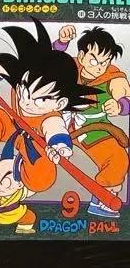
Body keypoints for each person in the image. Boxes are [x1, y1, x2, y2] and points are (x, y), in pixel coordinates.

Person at [0, 19, 95, 200]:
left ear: (59, 104)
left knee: (43, 174)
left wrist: (59, 147)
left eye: (40, 99)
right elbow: (3, 66)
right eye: (25, 92)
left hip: (33, 144)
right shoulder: (23, 75)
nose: (27, 102)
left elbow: (56, 130)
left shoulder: (51, 117)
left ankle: (20, 171)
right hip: (11, 127)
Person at [53, 26, 130, 219]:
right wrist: (62, 42)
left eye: (105, 62)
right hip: (55, 123)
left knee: (118, 158)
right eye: (94, 60)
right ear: (81, 56)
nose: (99, 67)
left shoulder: (112, 76)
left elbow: (123, 92)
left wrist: (120, 105)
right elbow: (50, 60)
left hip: (93, 129)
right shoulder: (71, 66)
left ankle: (101, 199)